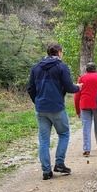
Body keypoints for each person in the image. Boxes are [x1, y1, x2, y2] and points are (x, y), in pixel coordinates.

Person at [27, 43, 80, 180]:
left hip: (41, 108)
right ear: (59, 52)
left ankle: (46, 171)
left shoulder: (36, 67)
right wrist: (78, 87)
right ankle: (59, 163)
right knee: (64, 133)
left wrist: (37, 101)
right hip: (56, 107)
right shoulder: (61, 67)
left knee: (44, 140)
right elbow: (69, 87)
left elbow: (30, 89)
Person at [73, 62, 97, 157]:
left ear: (86, 69)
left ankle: (87, 149)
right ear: (95, 69)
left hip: (84, 104)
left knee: (86, 127)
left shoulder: (82, 78)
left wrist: (77, 110)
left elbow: (77, 95)